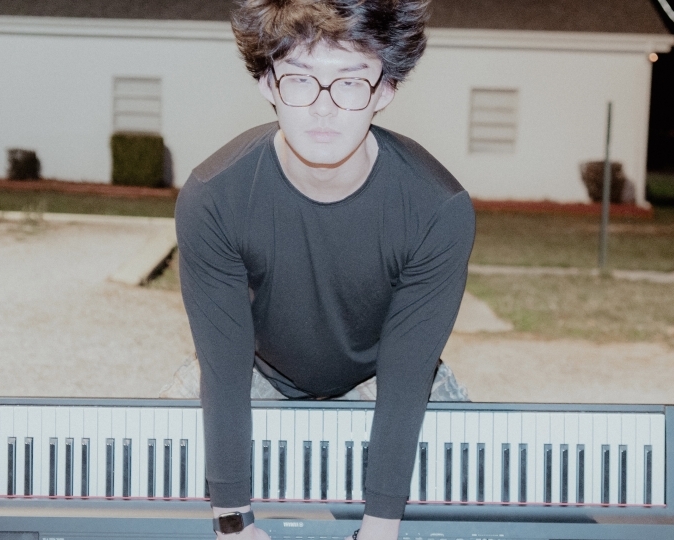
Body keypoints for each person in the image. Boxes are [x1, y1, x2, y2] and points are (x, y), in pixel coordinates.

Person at [174, 0, 476, 538]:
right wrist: (232, 522)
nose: (323, 107)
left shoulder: (437, 209)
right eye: (300, 80)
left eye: (351, 82)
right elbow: (223, 371)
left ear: (385, 90)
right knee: (153, 465)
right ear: (268, 82)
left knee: (479, 497)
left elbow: (407, 379)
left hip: (378, 375)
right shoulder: (213, 198)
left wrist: (380, 528)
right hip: (259, 370)